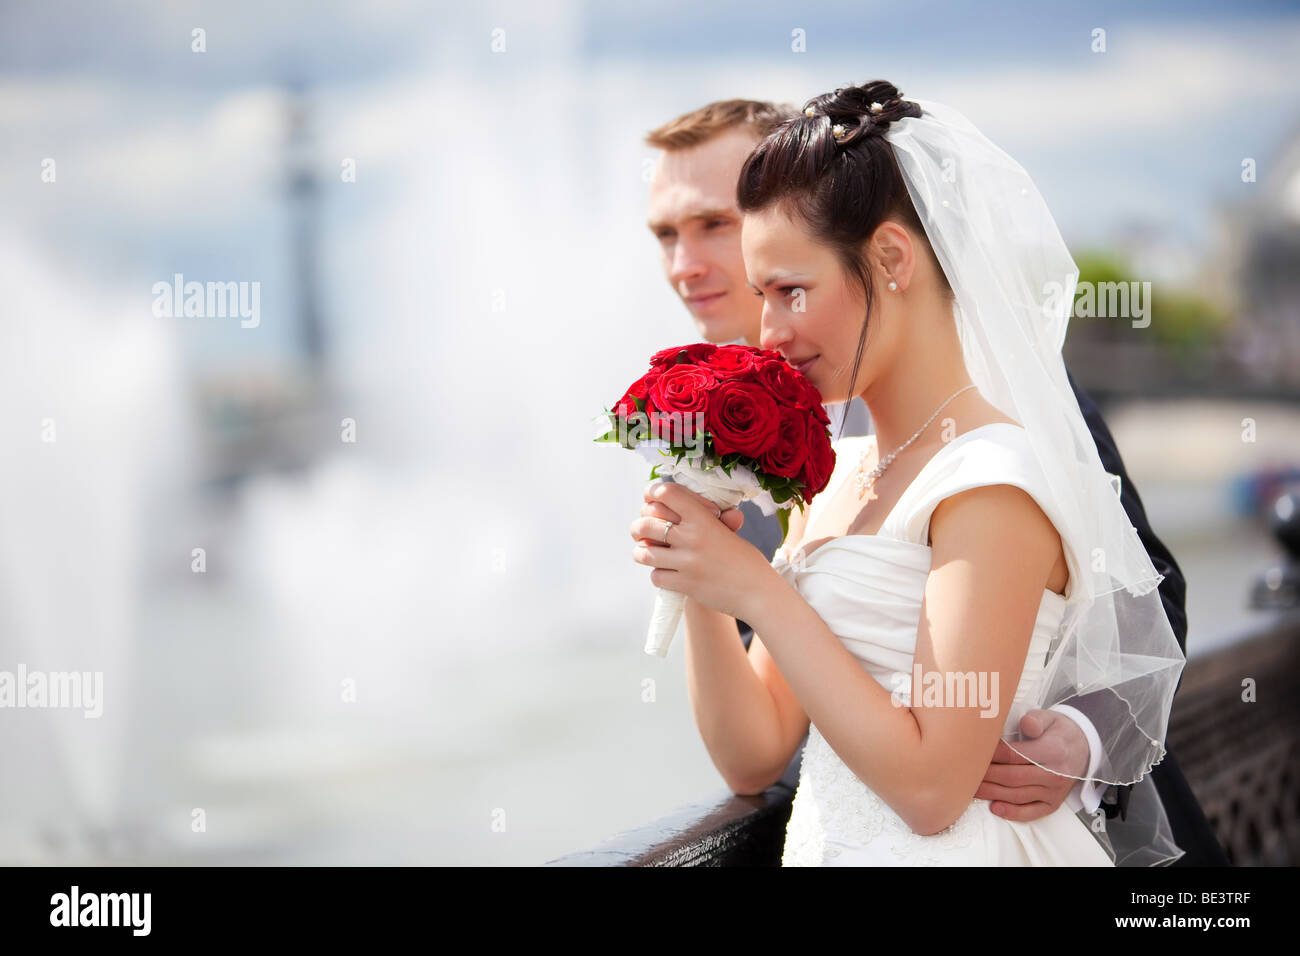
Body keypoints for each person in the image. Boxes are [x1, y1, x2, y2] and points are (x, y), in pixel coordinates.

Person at [631, 81, 1207, 865]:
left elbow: (936, 789)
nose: (771, 332)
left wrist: (754, 588)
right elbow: (754, 753)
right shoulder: (830, 476)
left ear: (893, 258)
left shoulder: (995, 471)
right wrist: (699, 571)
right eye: (764, 294)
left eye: (792, 291)